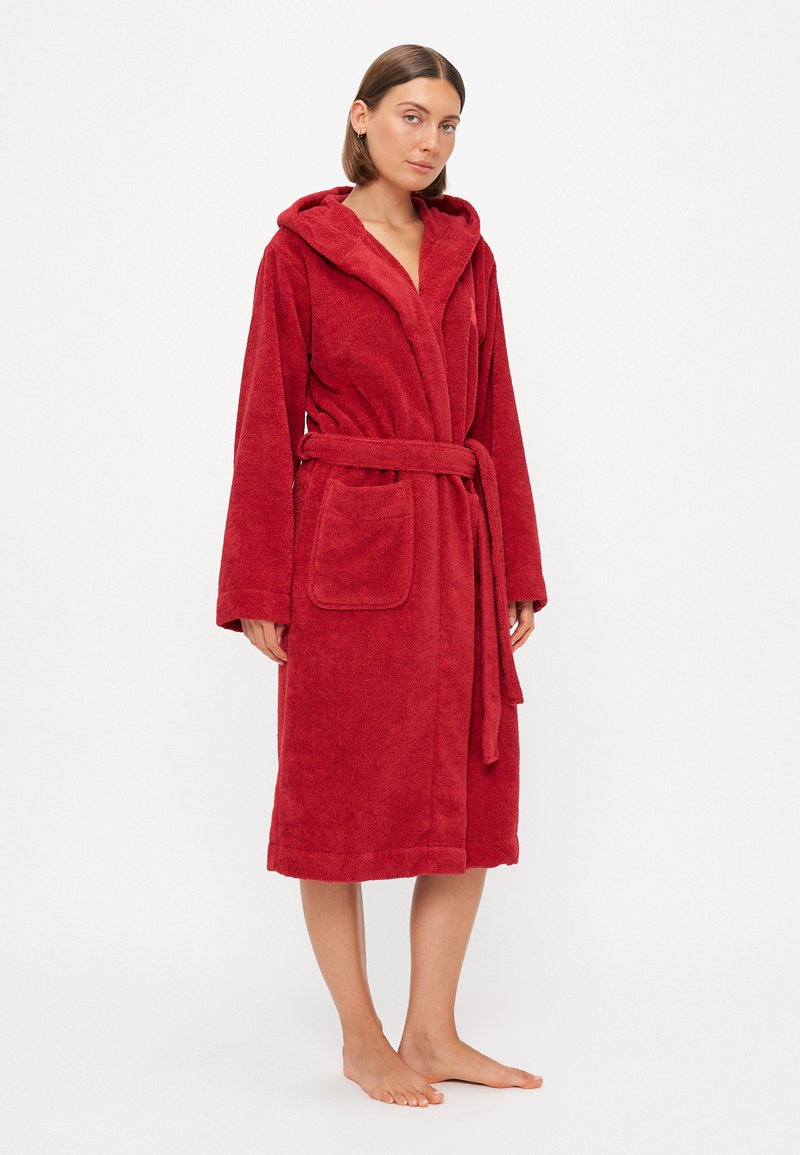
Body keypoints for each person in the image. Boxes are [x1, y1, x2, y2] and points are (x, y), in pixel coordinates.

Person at [216, 44, 548, 1107]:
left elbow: (496, 410)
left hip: (458, 545)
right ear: (360, 119)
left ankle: (432, 1029)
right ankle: (363, 1039)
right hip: (346, 553)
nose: (430, 141)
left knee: (468, 788)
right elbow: (266, 420)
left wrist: (517, 565)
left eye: (447, 124)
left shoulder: (467, 252)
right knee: (334, 794)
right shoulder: (299, 253)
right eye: (411, 116)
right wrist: (258, 586)